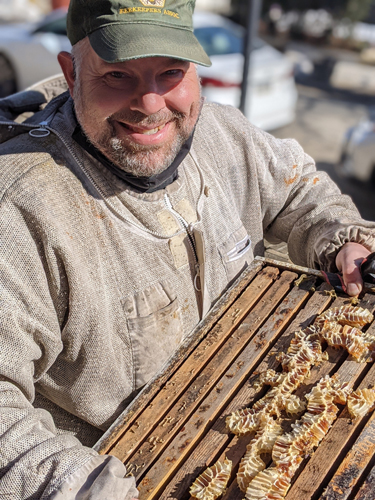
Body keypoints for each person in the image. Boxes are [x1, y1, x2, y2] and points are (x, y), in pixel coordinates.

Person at [0, 0, 374, 499]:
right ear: (71, 73)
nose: (150, 104)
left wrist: (343, 239)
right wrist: (83, 487)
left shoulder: (224, 133)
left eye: (170, 73)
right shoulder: (18, 210)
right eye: (117, 75)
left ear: (195, 71)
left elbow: (301, 190)